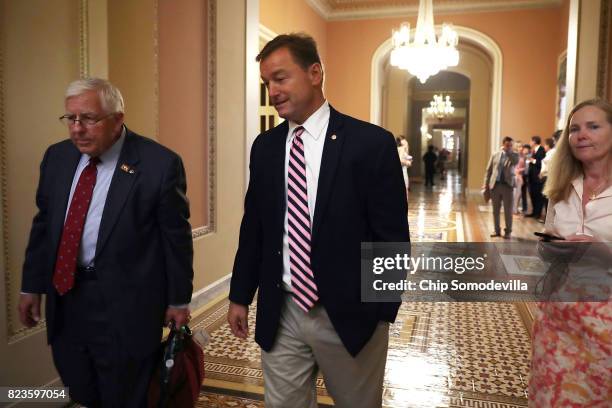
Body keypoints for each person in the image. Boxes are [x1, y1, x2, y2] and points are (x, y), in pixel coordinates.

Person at [227, 33, 409, 408]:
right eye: (266, 83)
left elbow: (391, 238)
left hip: (351, 314)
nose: (272, 91)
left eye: (280, 78)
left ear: (314, 73)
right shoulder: (265, 148)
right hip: (283, 312)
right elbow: (255, 228)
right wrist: (240, 296)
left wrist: (381, 312)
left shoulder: (370, 144)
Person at [18, 78, 194, 407]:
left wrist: (179, 300)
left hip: (127, 304)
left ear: (117, 119)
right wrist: (31, 287)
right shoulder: (56, 158)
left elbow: (176, 240)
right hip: (66, 297)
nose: (77, 129)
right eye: (70, 119)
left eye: (89, 118)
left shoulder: (158, 164)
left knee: (125, 394)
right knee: (81, 387)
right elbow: (44, 225)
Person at [529, 99, 612, 407]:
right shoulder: (563, 187)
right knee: (553, 397)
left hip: (606, 323)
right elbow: (547, 239)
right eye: (574, 129)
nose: (581, 135)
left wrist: (602, 254)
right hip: (558, 317)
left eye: (593, 126)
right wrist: (549, 247)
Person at [483, 136, 519, 238]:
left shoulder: (514, 155)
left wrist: (509, 152)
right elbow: (489, 170)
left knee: (508, 211)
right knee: (495, 210)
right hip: (495, 185)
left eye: (511, 145)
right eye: (507, 145)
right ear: (503, 144)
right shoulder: (495, 154)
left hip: (508, 186)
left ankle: (508, 232)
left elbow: (515, 162)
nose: (509, 147)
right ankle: (496, 230)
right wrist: (486, 184)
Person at [526, 135, 546, 218]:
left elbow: (542, 163)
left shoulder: (542, 150)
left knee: (538, 195)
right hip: (531, 177)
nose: (530, 143)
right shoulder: (533, 150)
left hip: (538, 177)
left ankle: (538, 213)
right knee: (532, 194)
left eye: (531, 141)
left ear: (534, 141)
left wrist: (532, 160)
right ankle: (534, 212)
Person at [513, 142, 526, 214]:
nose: (521, 148)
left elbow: (524, 167)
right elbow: (512, 167)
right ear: (516, 147)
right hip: (514, 176)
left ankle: (515, 209)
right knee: (514, 194)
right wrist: (516, 173)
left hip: (520, 176)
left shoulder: (523, 156)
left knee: (519, 194)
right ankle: (512, 210)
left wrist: (520, 171)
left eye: (522, 146)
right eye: (519, 147)